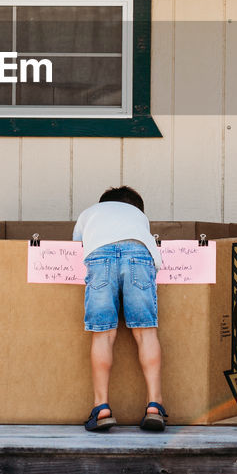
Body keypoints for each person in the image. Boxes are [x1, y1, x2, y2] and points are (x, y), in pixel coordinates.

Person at [72, 185, 166, 432]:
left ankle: (101, 408)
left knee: (103, 334)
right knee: (146, 333)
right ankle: (155, 405)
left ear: (102, 204)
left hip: (99, 256)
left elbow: (75, 248)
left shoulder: (89, 213)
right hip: (139, 254)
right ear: (136, 208)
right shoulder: (139, 217)